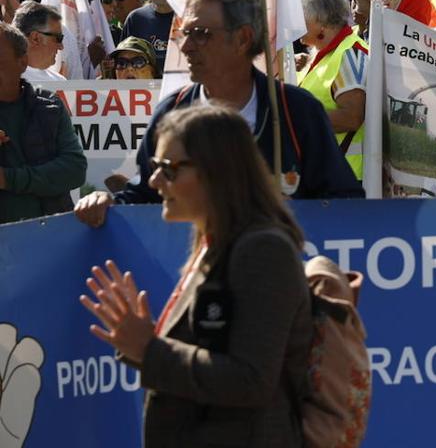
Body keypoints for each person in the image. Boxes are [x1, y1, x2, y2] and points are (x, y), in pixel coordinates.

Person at [79, 104, 311, 448]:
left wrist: (149, 349)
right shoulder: (215, 240)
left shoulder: (263, 249)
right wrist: (139, 345)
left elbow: (250, 379)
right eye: (154, 167)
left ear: (218, 171)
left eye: (169, 169)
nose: (155, 181)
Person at [74, 0, 362, 228]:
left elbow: (344, 202)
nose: (185, 46)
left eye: (200, 33)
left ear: (243, 38)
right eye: (183, 34)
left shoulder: (297, 111)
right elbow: (145, 194)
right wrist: (108, 202)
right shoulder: (172, 112)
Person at [0, 22, 87, 224]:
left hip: (45, 237)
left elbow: (74, 170)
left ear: (22, 62)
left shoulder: (48, 108)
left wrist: (8, 179)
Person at [298, 0, 368, 180]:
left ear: (321, 19)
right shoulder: (326, 54)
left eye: (300, 15)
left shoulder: (349, 53)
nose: (295, 22)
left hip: (345, 180)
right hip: (325, 174)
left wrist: (296, 120)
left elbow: (352, 117)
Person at [12, 1, 65, 82]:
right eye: (58, 38)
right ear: (35, 38)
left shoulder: (60, 82)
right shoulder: (5, 79)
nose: (61, 47)